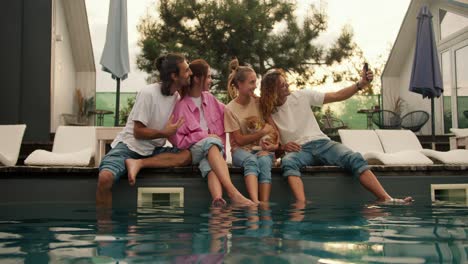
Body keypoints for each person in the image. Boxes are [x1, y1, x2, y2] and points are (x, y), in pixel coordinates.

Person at [259, 68, 413, 203]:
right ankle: (302, 205)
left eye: (286, 82)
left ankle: (386, 198)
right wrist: (283, 147)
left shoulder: (302, 96)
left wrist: (360, 84)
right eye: (282, 85)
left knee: (354, 157)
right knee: (288, 162)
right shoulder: (269, 112)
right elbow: (276, 142)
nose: (287, 86)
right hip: (299, 150)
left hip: (322, 143)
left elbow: (337, 95)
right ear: (273, 91)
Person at [96, 53, 192, 208]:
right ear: (174, 76)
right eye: (186, 70)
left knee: (187, 155)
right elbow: (138, 132)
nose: (190, 73)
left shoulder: (177, 98)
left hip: (153, 150)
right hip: (128, 147)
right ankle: (104, 227)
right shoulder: (148, 93)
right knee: (105, 178)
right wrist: (164, 133)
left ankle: (138, 163)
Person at [169, 59, 254, 206]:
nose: (211, 80)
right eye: (208, 77)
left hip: (214, 154)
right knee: (211, 143)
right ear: (197, 78)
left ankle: (217, 201)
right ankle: (233, 193)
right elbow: (178, 141)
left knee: (210, 162)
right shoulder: (181, 106)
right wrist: (204, 136)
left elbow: (231, 112)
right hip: (192, 152)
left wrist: (250, 101)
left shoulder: (210, 99)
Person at [224, 59, 278, 203]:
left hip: (260, 148)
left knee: (265, 161)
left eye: (256, 82)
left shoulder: (259, 103)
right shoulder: (230, 109)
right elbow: (239, 140)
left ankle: (264, 204)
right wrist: (261, 133)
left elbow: (273, 129)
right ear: (240, 84)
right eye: (251, 83)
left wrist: (272, 147)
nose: (255, 87)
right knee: (251, 161)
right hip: (240, 151)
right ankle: (254, 203)